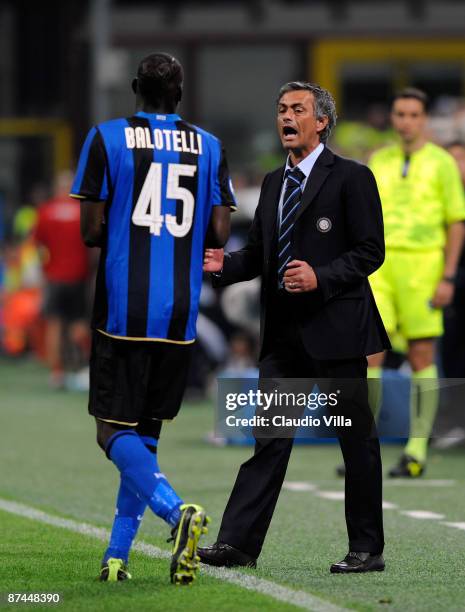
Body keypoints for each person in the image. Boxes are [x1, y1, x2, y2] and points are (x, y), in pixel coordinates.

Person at [200, 81, 390, 573]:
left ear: (322, 121)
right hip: (283, 337)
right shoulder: (272, 182)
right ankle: (238, 543)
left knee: (357, 443)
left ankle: (367, 549)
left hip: (337, 332)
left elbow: (371, 251)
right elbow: (262, 255)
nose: (287, 116)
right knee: (269, 442)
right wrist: (224, 264)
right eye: (282, 109)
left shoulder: (352, 177)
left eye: (298, 109)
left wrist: (320, 277)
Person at [70, 52, 234, 584]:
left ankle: (176, 511)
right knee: (145, 436)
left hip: (123, 306)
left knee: (110, 431)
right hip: (180, 311)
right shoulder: (209, 146)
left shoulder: (107, 137)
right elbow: (219, 234)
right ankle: (116, 558)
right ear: (180, 93)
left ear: (136, 86)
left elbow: (91, 231)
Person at [368, 89, 465, 477]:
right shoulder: (378, 160)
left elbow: (456, 221)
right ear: (393, 118)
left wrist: (448, 275)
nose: (406, 120)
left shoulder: (442, 163)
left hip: (424, 266)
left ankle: (416, 451)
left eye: (413, 114)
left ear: (424, 120)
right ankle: (364, 448)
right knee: (367, 355)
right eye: (400, 113)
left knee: (421, 356)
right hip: (379, 267)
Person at [33, 171, 90, 388]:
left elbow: (39, 245)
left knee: (54, 324)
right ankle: (84, 366)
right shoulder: (82, 211)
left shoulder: (45, 212)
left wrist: (45, 269)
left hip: (54, 277)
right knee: (78, 323)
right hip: (78, 276)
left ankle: (56, 373)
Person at [441, 141, 465, 379]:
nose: (457, 166)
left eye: (461, 159)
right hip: (443, 279)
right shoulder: (436, 199)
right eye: (451, 160)